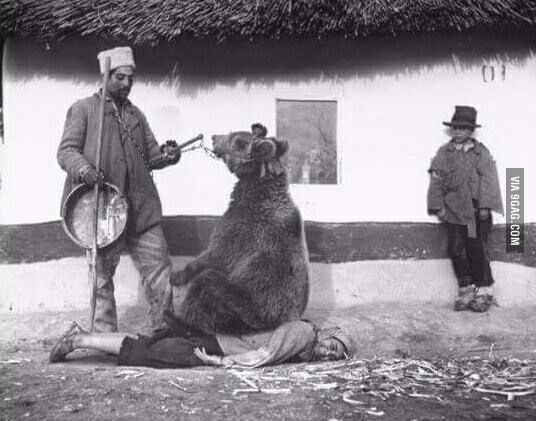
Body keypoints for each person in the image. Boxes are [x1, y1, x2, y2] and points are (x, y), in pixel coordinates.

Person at [57, 47, 181, 332]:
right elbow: (65, 152)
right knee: (101, 277)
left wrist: (169, 154)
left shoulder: (136, 115)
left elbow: (151, 155)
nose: (127, 84)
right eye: (120, 77)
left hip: (140, 209)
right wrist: (84, 169)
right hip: (102, 208)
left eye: (131, 79)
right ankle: (103, 337)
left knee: (160, 268)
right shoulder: (85, 109)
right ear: (106, 76)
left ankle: (165, 331)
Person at [427, 106, 503, 312]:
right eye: (455, 128)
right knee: (456, 249)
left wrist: (486, 205)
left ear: (471, 131)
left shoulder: (481, 152)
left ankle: (482, 292)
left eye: (463, 129)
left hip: (477, 212)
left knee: (476, 248)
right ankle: (466, 288)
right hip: (454, 211)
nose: (458, 132)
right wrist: (437, 206)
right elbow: (436, 181)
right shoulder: (445, 153)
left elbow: (489, 180)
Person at [49, 319, 354, 368]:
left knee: (148, 348)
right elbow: (266, 355)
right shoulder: (304, 333)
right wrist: (218, 362)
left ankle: (83, 338)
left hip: (218, 342)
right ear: (327, 335)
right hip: (215, 345)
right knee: (147, 351)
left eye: (334, 358)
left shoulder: (306, 348)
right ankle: (78, 339)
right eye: (333, 347)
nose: (328, 355)